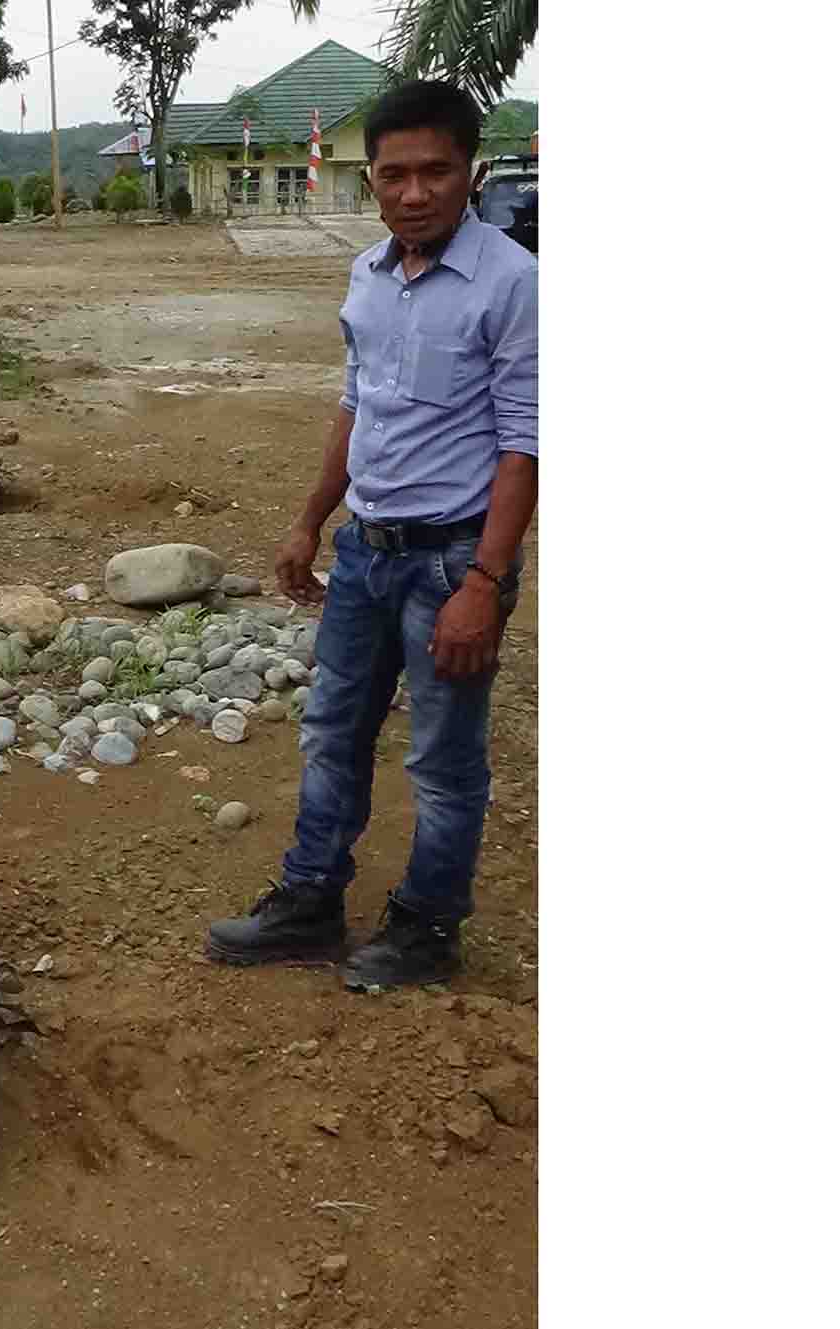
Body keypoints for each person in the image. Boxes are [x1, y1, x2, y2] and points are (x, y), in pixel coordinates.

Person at [205, 80, 538, 992]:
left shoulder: (514, 283)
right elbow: (357, 406)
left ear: (468, 173)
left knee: (441, 756)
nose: (414, 192)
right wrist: (311, 520)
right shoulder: (368, 276)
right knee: (332, 732)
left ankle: (429, 927)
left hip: (450, 561)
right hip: (366, 550)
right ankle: (311, 902)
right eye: (395, 174)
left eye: (436, 171)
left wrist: (483, 581)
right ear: (373, 178)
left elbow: (526, 441)